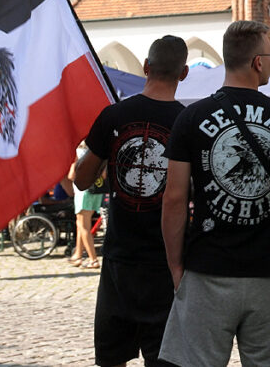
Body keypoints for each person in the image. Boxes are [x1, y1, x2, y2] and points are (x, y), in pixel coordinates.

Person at [160, 21, 270, 366]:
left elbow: (174, 199)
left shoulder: (192, 118)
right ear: (258, 62)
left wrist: (176, 265)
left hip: (207, 268)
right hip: (267, 271)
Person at [75, 35, 189, 367]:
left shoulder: (113, 116)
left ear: (145, 67)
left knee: (112, 358)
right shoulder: (188, 122)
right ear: (183, 73)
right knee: (164, 357)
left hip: (119, 258)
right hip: (167, 260)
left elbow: (81, 179)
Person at [69, 149, 102, 270]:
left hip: (82, 192)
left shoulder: (78, 153)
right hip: (96, 191)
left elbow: (71, 175)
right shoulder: (95, 153)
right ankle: (78, 255)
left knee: (84, 227)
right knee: (80, 224)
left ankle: (93, 259)